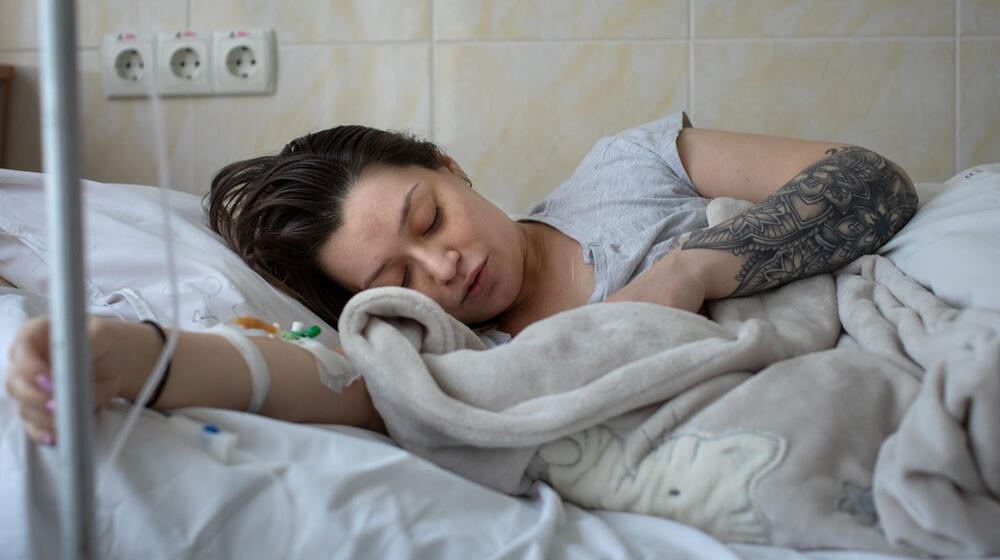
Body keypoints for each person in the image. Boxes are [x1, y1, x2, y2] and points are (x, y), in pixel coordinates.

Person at [5, 111, 918, 446]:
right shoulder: (458, 353)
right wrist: (139, 356)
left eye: (427, 217)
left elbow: (870, 178)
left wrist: (693, 270)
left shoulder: (630, 166)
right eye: (400, 275)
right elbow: (339, 388)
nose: (444, 267)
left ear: (448, 166)